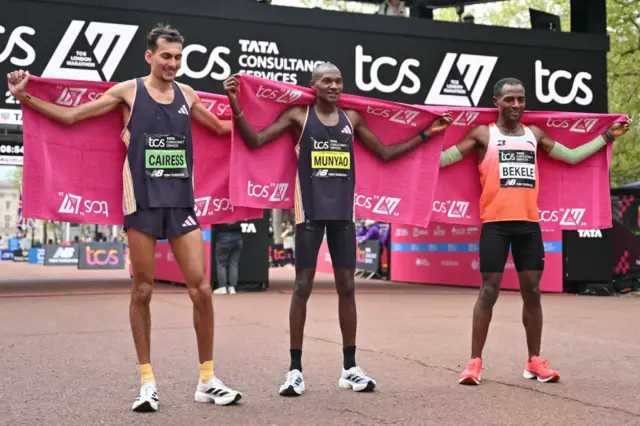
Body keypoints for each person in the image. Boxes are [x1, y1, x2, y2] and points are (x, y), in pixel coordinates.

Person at [7, 24, 243, 412]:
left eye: (178, 57)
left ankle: (207, 380)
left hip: (181, 202)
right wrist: (25, 97)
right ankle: (147, 381)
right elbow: (71, 118)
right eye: (165, 56)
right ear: (149, 56)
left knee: (201, 289)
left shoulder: (187, 93)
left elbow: (220, 129)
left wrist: (251, 118)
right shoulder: (128, 91)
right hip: (142, 202)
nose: (172, 63)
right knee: (143, 291)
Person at [223, 63, 452, 396]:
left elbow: (385, 154)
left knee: (347, 286)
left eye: (338, 80)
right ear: (313, 85)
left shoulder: (352, 119)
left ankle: (350, 368)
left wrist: (425, 136)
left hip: (343, 214)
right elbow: (255, 141)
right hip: (310, 213)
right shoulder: (298, 117)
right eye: (326, 80)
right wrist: (235, 104)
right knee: (302, 285)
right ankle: (295, 370)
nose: (334, 85)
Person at [437, 77, 630, 386]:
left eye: (521, 99)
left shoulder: (534, 135)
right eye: (510, 99)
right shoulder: (482, 135)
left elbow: (571, 157)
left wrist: (607, 135)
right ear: (496, 101)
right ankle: (474, 363)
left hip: (528, 225)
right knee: (489, 291)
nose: (516, 105)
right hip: (495, 226)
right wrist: (424, 137)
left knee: (533, 293)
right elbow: (445, 160)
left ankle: (533, 361)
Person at [213, 221, 244, 295]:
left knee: (221, 264)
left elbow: (215, 224)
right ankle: (232, 287)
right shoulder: (238, 210)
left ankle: (222, 287)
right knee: (234, 264)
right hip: (238, 238)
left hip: (224, 238)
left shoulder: (221, 210)